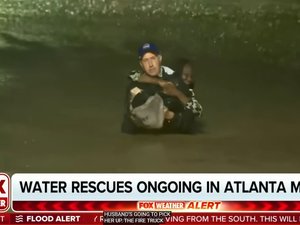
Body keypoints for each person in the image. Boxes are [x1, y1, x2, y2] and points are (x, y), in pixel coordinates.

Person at [121, 43, 202, 134]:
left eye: (153, 58)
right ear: (141, 64)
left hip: (170, 132)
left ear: (159, 58)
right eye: (145, 60)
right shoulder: (135, 81)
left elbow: (198, 110)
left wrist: (176, 94)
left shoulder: (174, 78)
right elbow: (133, 76)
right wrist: (160, 83)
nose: (150, 64)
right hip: (141, 133)